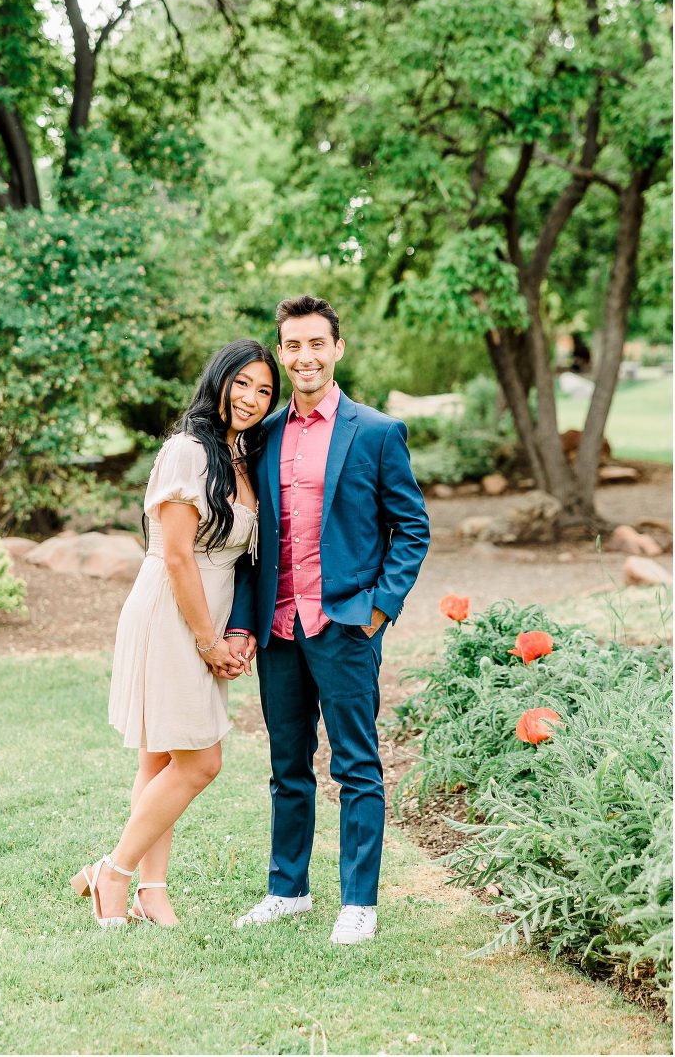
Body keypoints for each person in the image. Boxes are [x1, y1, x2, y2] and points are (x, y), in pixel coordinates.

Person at [227, 296, 429, 945]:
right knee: (288, 766)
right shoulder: (265, 434)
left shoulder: (375, 432)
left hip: (345, 626)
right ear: (282, 353)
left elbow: (411, 528)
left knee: (356, 766)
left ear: (337, 348)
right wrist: (242, 621)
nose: (304, 356)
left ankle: (359, 901)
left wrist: (377, 607)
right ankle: (287, 889)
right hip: (279, 629)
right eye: (292, 345)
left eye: (316, 343)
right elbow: (252, 543)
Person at [71, 339, 280, 928]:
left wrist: (236, 631)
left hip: (207, 615)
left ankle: (151, 890)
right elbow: (179, 557)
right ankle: (113, 874)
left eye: (264, 390)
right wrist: (208, 640)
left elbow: (239, 560)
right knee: (200, 762)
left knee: (161, 756)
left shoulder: (240, 455)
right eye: (242, 383)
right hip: (172, 613)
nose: (251, 398)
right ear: (219, 380)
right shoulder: (189, 451)